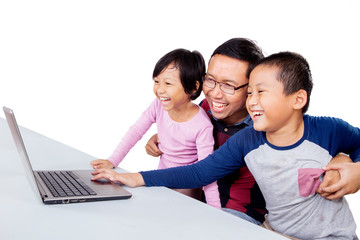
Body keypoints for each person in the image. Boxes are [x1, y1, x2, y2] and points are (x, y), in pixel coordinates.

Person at [92, 51, 360, 239]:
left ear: (298, 99)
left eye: (260, 92)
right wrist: (132, 177)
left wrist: (357, 168)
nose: (252, 100)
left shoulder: (328, 130)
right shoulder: (247, 138)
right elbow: (199, 171)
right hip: (272, 231)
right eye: (251, 92)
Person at [146, 38, 267, 225]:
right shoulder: (204, 109)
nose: (215, 93)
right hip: (197, 201)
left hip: (240, 212)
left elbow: (315, 137)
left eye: (229, 85)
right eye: (210, 80)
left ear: (252, 89)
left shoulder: (264, 126)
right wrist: (165, 136)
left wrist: (331, 165)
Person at [90, 48, 220, 208]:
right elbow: (136, 131)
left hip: (185, 199)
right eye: (157, 81)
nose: (159, 89)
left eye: (168, 83)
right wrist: (113, 160)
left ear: (193, 87)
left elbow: (207, 173)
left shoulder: (202, 125)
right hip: (159, 186)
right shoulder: (158, 105)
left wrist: (216, 212)